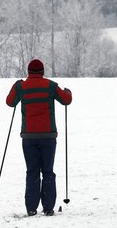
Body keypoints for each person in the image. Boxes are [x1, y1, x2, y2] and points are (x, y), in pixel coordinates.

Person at [6, 59, 72, 216]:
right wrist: (68, 91)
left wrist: (16, 86)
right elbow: (66, 100)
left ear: (28, 72)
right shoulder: (50, 86)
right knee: (48, 171)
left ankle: (31, 208)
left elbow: (10, 102)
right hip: (48, 137)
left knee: (32, 171)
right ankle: (48, 208)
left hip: (28, 137)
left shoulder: (21, 87)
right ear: (42, 71)